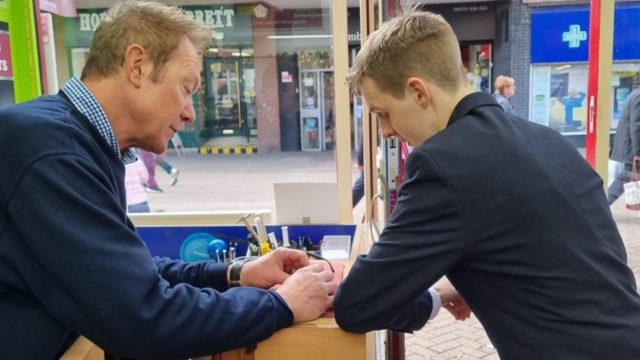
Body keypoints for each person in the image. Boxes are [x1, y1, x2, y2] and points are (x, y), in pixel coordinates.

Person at [0, 1, 336, 358]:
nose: (190, 113)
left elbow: (130, 273)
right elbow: (144, 318)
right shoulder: (52, 152)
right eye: (186, 87)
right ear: (137, 65)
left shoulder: (77, 142)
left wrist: (237, 273)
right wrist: (281, 304)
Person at [333, 9, 640, 359]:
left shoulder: (441, 164)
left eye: (383, 113)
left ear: (418, 92)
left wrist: (433, 297)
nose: (386, 131)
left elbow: (357, 304)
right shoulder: (550, 142)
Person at [608, 83, 640, 205]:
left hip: (628, 149)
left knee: (625, 180)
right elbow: (637, 126)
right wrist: (638, 153)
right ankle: (599, 208)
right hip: (631, 150)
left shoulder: (635, 94)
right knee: (624, 180)